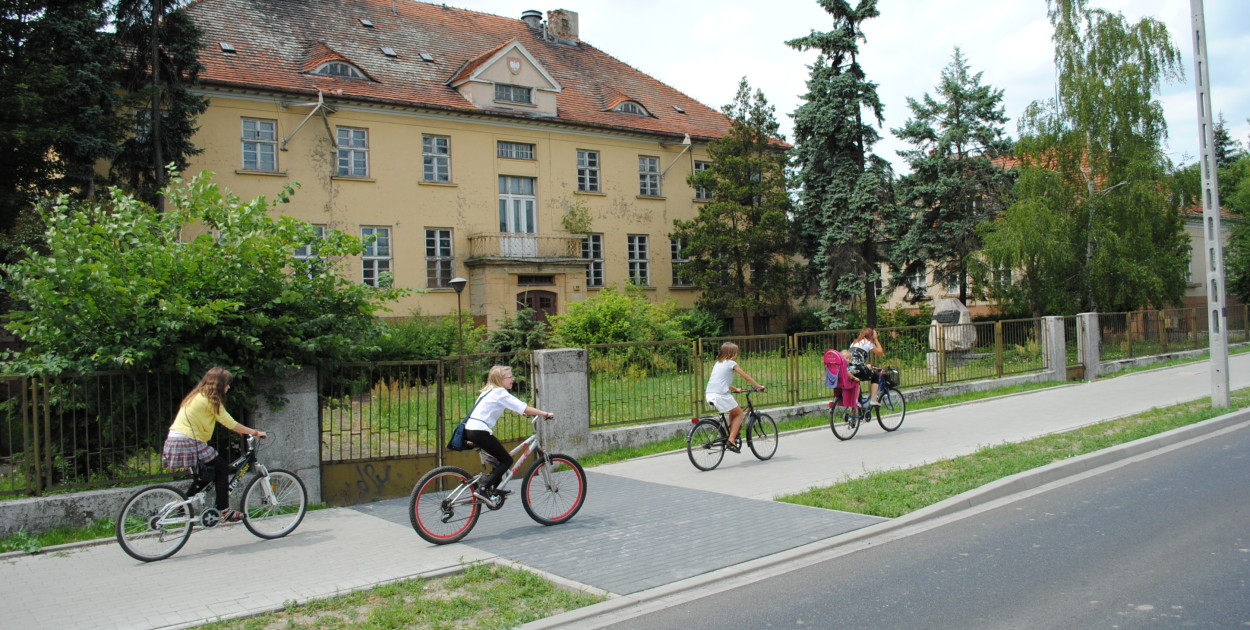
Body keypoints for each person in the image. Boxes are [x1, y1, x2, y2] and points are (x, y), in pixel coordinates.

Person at [161, 367, 267, 523]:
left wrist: (240, 430)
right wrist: (256, 432)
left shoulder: (197, 395)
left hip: (176, 439)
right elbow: (230, 423)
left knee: (209, 473)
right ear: (220, 384)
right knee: (222, 467)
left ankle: (183, 506)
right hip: (188, 440)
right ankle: (225, 511)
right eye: (227, 384)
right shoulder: (211, 400)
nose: (228, 387)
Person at [464, 365, 554, 498]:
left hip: (470, 429)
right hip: (480, 431)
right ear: (500, 379)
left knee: (498, 460)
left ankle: (494, 490)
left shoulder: (489, 391)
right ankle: (482, 488)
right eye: (510, 377)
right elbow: (524, 407)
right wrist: (545, 413)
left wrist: (522, 412)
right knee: (506, 460)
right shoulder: (500, 392)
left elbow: (503, 405)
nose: (513, 379)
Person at [704, 342, 765, 453]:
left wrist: (734, 389)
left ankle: (731, 433)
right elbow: (746, 377)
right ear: (731, 353)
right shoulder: (731, 363)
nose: (737, 355)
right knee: (740, 413)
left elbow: (720, 381)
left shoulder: (718, 363)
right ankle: (731, 440)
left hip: (710, 393)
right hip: (720, 395)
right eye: (736, 352)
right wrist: (758, 386)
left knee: (734, 405)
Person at [849, 327, 886, 405]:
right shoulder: (868, 343)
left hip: (849, 369)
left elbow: (855, 360)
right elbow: (881, 352)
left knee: (856, 382)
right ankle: (873, 399)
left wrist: (865, 366)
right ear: (871, 336)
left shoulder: (854, 343)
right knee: (875, 376)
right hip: (859, 368)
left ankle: (853, 410)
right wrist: (876, 339)